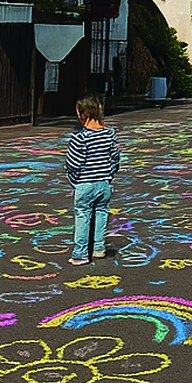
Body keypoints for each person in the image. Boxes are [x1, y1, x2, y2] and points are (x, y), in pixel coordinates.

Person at [65, 94, 121, 266]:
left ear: (82, 113)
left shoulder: (79, 138)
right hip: (104, 183)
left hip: (85, 183)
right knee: (101, 213)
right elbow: (115, 158)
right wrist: (109, 175)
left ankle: (81, 253)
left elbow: (72, 164)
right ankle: (98, 248)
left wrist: (75, 181)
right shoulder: (109, 134)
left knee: (83, 215)